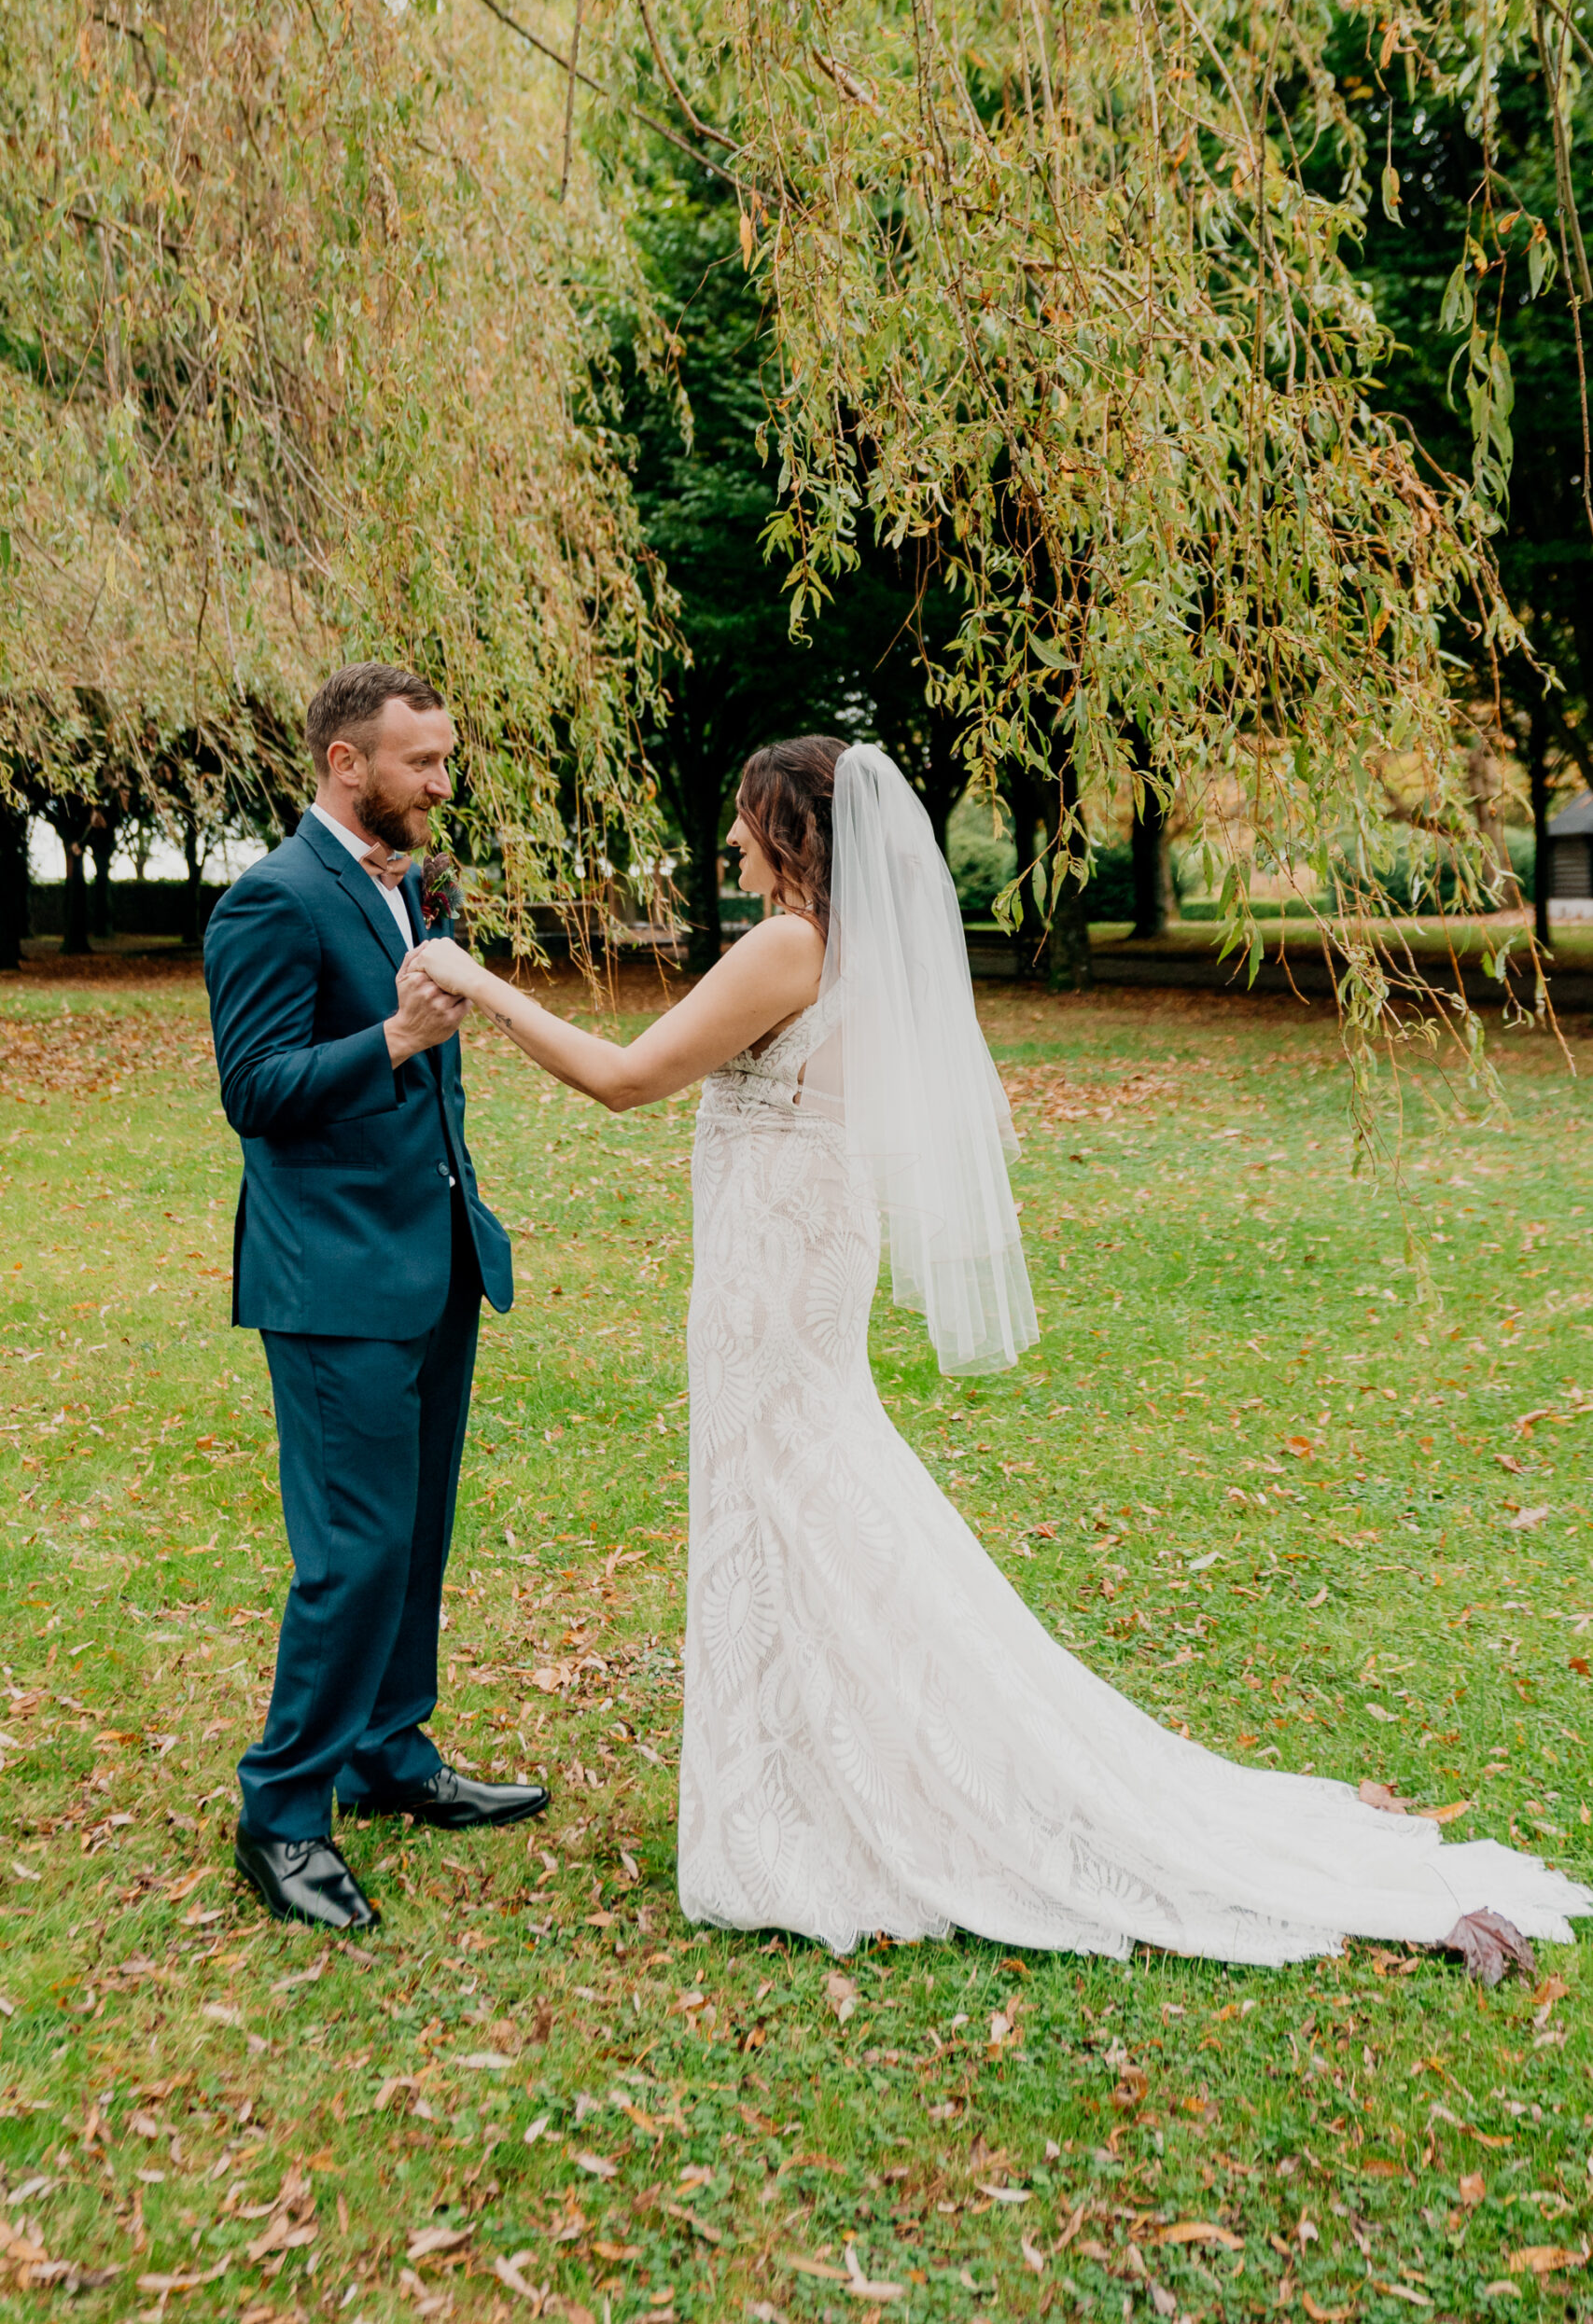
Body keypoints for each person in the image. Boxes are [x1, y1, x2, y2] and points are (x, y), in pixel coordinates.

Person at [411, 737, 1590, 1963]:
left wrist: (476, 984)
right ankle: (800, 1782)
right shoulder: (855, 954)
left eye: (747, 822)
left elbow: (624, 1077)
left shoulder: (789, 942)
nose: (732, 843)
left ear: (788, 826)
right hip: (799, 1244)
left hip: (775, 1265)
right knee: (799, 1499)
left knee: (792, 1499)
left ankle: (826, 1796)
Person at [204, 661, 550, 1934]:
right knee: (351, 1554)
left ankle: (391, 1754)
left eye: (447, 758)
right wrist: (396, 1040)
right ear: (348, 765)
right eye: (424, 762)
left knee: (415, 1535)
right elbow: (258, 1092)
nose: (443, 783)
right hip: (335, 1276)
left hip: (436, 1254)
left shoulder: (422, 887)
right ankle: (283, 1811)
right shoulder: (271, 903)